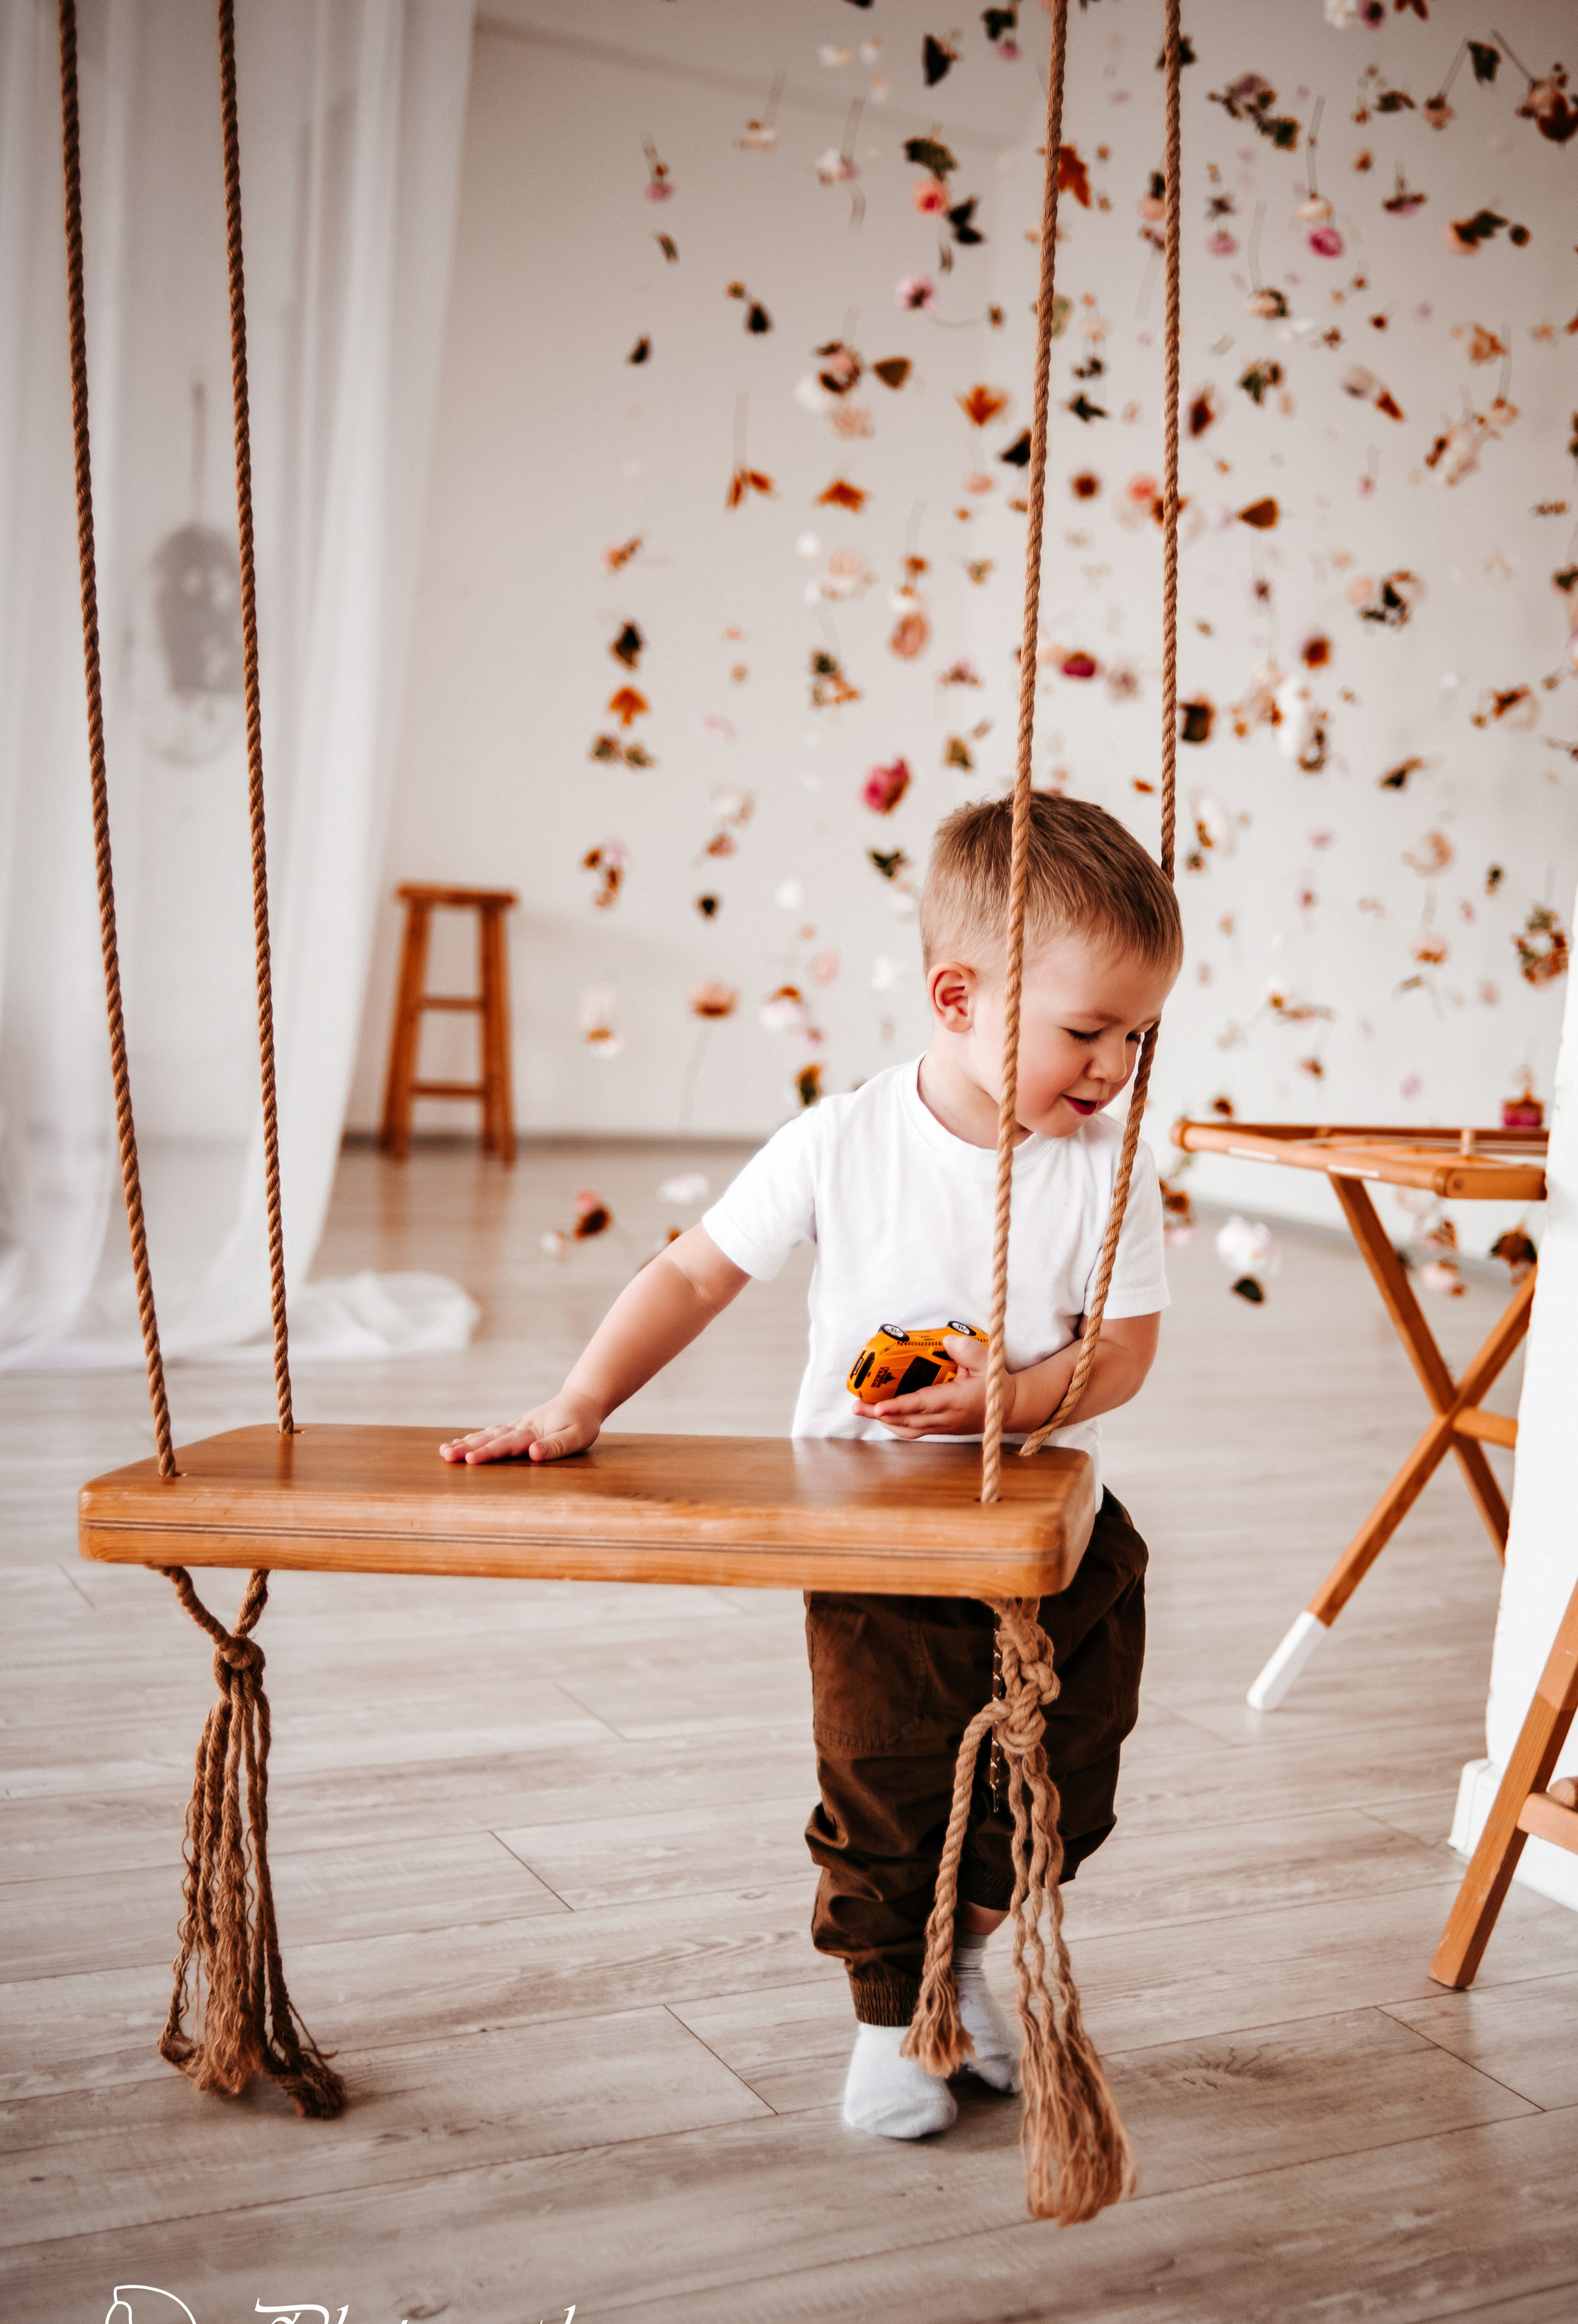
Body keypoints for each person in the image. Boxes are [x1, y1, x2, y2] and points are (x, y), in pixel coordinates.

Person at [443, 792, 1182, 2140]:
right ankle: (890, 2014)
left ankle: (953, 1962)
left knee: (1067, 1774)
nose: (1110, 1069)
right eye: (1084, 1033)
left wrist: (1003, 1401)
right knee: (886, 1781)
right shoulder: (841, 1142)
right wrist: (576, 1403)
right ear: (956, 997)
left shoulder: (1101, 1169)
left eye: (1135, 1037)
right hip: (871, 1534)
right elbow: (691, 1273)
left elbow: (1120, 1354)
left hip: (1043, 1524)